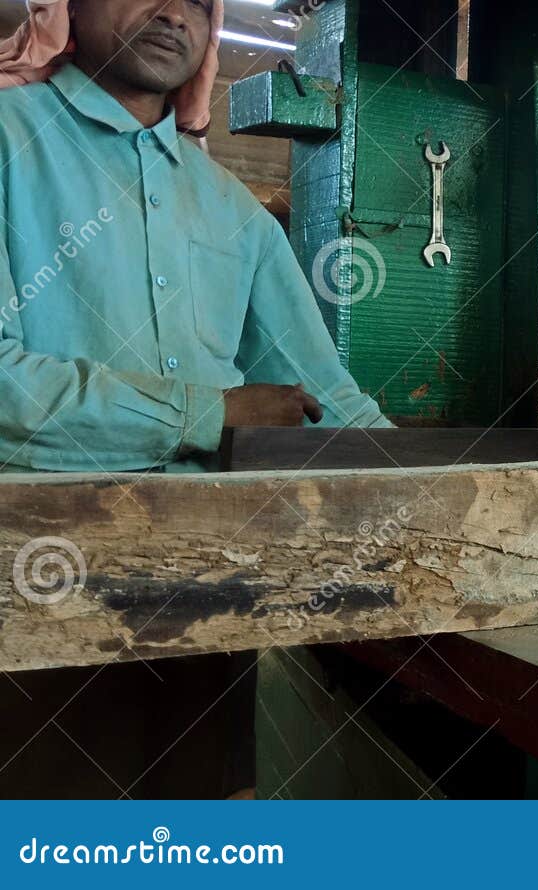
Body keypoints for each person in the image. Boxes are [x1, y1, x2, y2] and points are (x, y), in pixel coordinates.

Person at [0, 0, 392, 798]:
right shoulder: (10, 143)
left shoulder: (235, 212)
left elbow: (329, 403)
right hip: (31, 605)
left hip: (207, 605)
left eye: (199, 3)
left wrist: (439, 467)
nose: (175, 14)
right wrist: (209, 414)